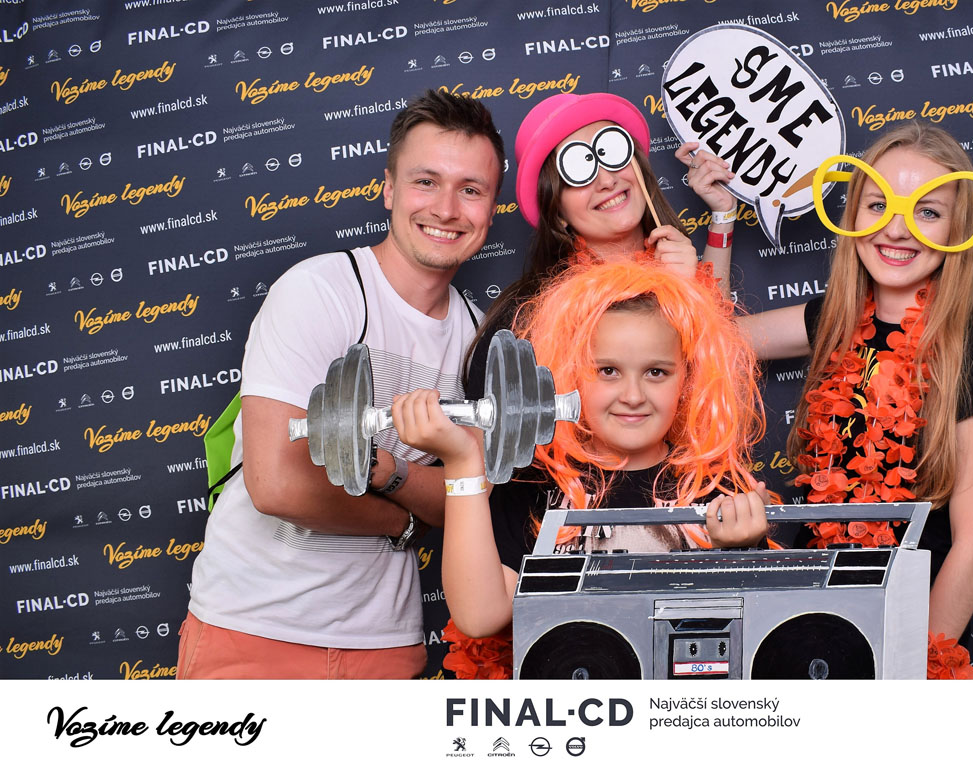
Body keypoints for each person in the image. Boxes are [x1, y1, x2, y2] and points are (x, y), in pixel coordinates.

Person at [178, 91, 505, 679]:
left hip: (386, 644)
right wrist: (401, 520)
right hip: (255, 628)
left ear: (492, 208)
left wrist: (386, 471)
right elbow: (277, 484)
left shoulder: (476, 339)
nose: (447, 208)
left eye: (471, 190)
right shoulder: (320, 291)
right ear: (389, 189)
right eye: (426, 181)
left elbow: (463, 498)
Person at [739, 122, 973, 679]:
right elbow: (714, 340)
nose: (896, 228)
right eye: (878, 205)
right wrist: (722, 222)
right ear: (854, 216)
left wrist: (906, 670)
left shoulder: (971, 355)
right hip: (813, 627)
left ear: (957, 229)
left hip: (900, 642)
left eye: (927, 211)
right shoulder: (836, 319)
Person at [392, 260, 770, 677]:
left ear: (687, 380)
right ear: (572, 372)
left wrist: (740, 551)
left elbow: (758, 641)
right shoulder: (534, 484)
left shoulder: (716, 485)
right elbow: (479, 617)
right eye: (608, 371)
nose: (632, 395)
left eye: (656, 372)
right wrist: (463, 464)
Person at [463, 91, 737, 401]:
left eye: (611, 151)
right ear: (558, 212)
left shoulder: (682, 272)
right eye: (578, 169)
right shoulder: (525, 320)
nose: (606, 180)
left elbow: (719, 388)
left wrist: (689, 295)